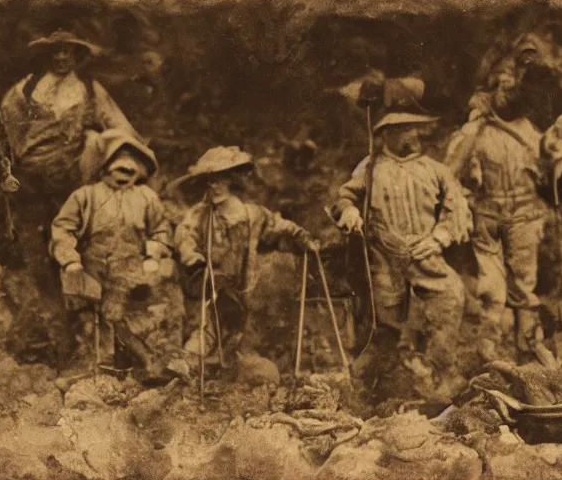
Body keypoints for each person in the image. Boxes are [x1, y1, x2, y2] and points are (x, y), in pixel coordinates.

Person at [443, 52, 562, 367]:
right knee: (491, 287)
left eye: (510, 87)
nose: (504, 91)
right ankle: (486, 352)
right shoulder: (474, 130)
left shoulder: (532, 131)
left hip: (526, 214)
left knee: (525, 286)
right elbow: (449, 172)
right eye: (499, 85)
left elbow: (552, 172)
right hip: (486, 214)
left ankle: (528, 349)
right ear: (491, 89)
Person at [0, 30, 143, 361]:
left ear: (79, 55)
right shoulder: (25, 90)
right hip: (31, 187)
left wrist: (120, 161)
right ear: (46, 54)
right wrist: (12, 174)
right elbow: (6, 138)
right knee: (37, 263)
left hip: (73, 186)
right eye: (56, 51)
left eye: (69, 51)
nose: (62, 57)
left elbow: (122, 131)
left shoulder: (90, 91)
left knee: (77, 254)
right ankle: (52, 342)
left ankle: (87, 340)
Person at [334, 77, 473, 400]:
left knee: (451, 294)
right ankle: (389, 386)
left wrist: (438, 238)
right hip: (385, 257)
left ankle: (441, 372)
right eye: (402, 129)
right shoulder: (370, 169)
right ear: (386, 133)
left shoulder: (435, 170)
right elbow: (345, 197)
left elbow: (458, 210)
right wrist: (349, 212)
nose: (411, 134)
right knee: (388, 321)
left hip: (425, 253)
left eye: (413, 127)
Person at [50, 131, 186, 380]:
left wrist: (155, 252)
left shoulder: (146, 197)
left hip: (133, 269)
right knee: (102, 317)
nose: (125, 178)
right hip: (94, 269)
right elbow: (62, 228)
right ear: (104, 168)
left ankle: (154, 360)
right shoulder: (86, 197)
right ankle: (111, 364)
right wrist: (69, 259)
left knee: (155, 306)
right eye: (119, 171)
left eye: (130, 173)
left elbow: (161, 229)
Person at [173, 146, 320, 366]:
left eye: (221, 180)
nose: (215, 187)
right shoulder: (200, 214)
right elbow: (185, 236)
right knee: (210, 322)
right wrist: (193, 258)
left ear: (231, 181)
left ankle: (234, 365)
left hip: (246, 281)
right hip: (213, 278)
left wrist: (302, 237)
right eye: (211, 181)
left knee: (245, 328)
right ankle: (188, 362)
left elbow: (279, 226)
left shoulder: (252, 213)